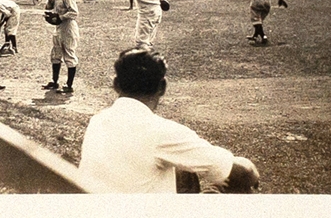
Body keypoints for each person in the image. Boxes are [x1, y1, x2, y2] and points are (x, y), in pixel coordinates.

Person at [79, 48, 260, 194]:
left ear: (116, 84)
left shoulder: (98, 120)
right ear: (162, 87)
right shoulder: (161, 132)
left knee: (182, 170)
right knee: (229, 182)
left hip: (100, 216)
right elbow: (245, 172)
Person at [42, 0, 80, 93]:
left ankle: (69, 85)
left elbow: (74, 12)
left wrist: (60, 17)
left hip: (68, 28)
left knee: (69, 55)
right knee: (55, 55)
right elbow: (47, 7)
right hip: (59, 28)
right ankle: (54, 82)